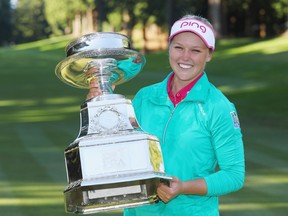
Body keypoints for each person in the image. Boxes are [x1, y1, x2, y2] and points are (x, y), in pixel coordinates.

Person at [87, 14, 245, 216]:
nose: (185, 57)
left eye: (196, 50)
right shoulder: (145, 97)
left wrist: (183, 187)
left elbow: (234, 175)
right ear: (169, 47)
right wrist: (99, 103)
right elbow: (115, 147)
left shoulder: (218, 107)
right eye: (179, 47)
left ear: (209, 54)